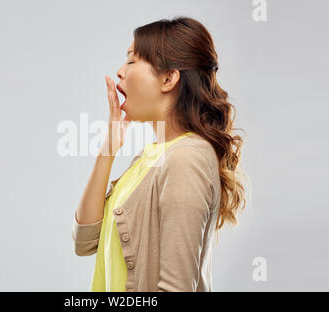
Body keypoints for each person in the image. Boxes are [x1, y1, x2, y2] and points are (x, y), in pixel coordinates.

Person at [72, 16, 248, 292]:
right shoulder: (151, 156)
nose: (120, 71)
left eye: (131, 61)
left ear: (168, 78)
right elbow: (84, 241)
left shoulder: (187, 158)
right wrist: (107, 150)